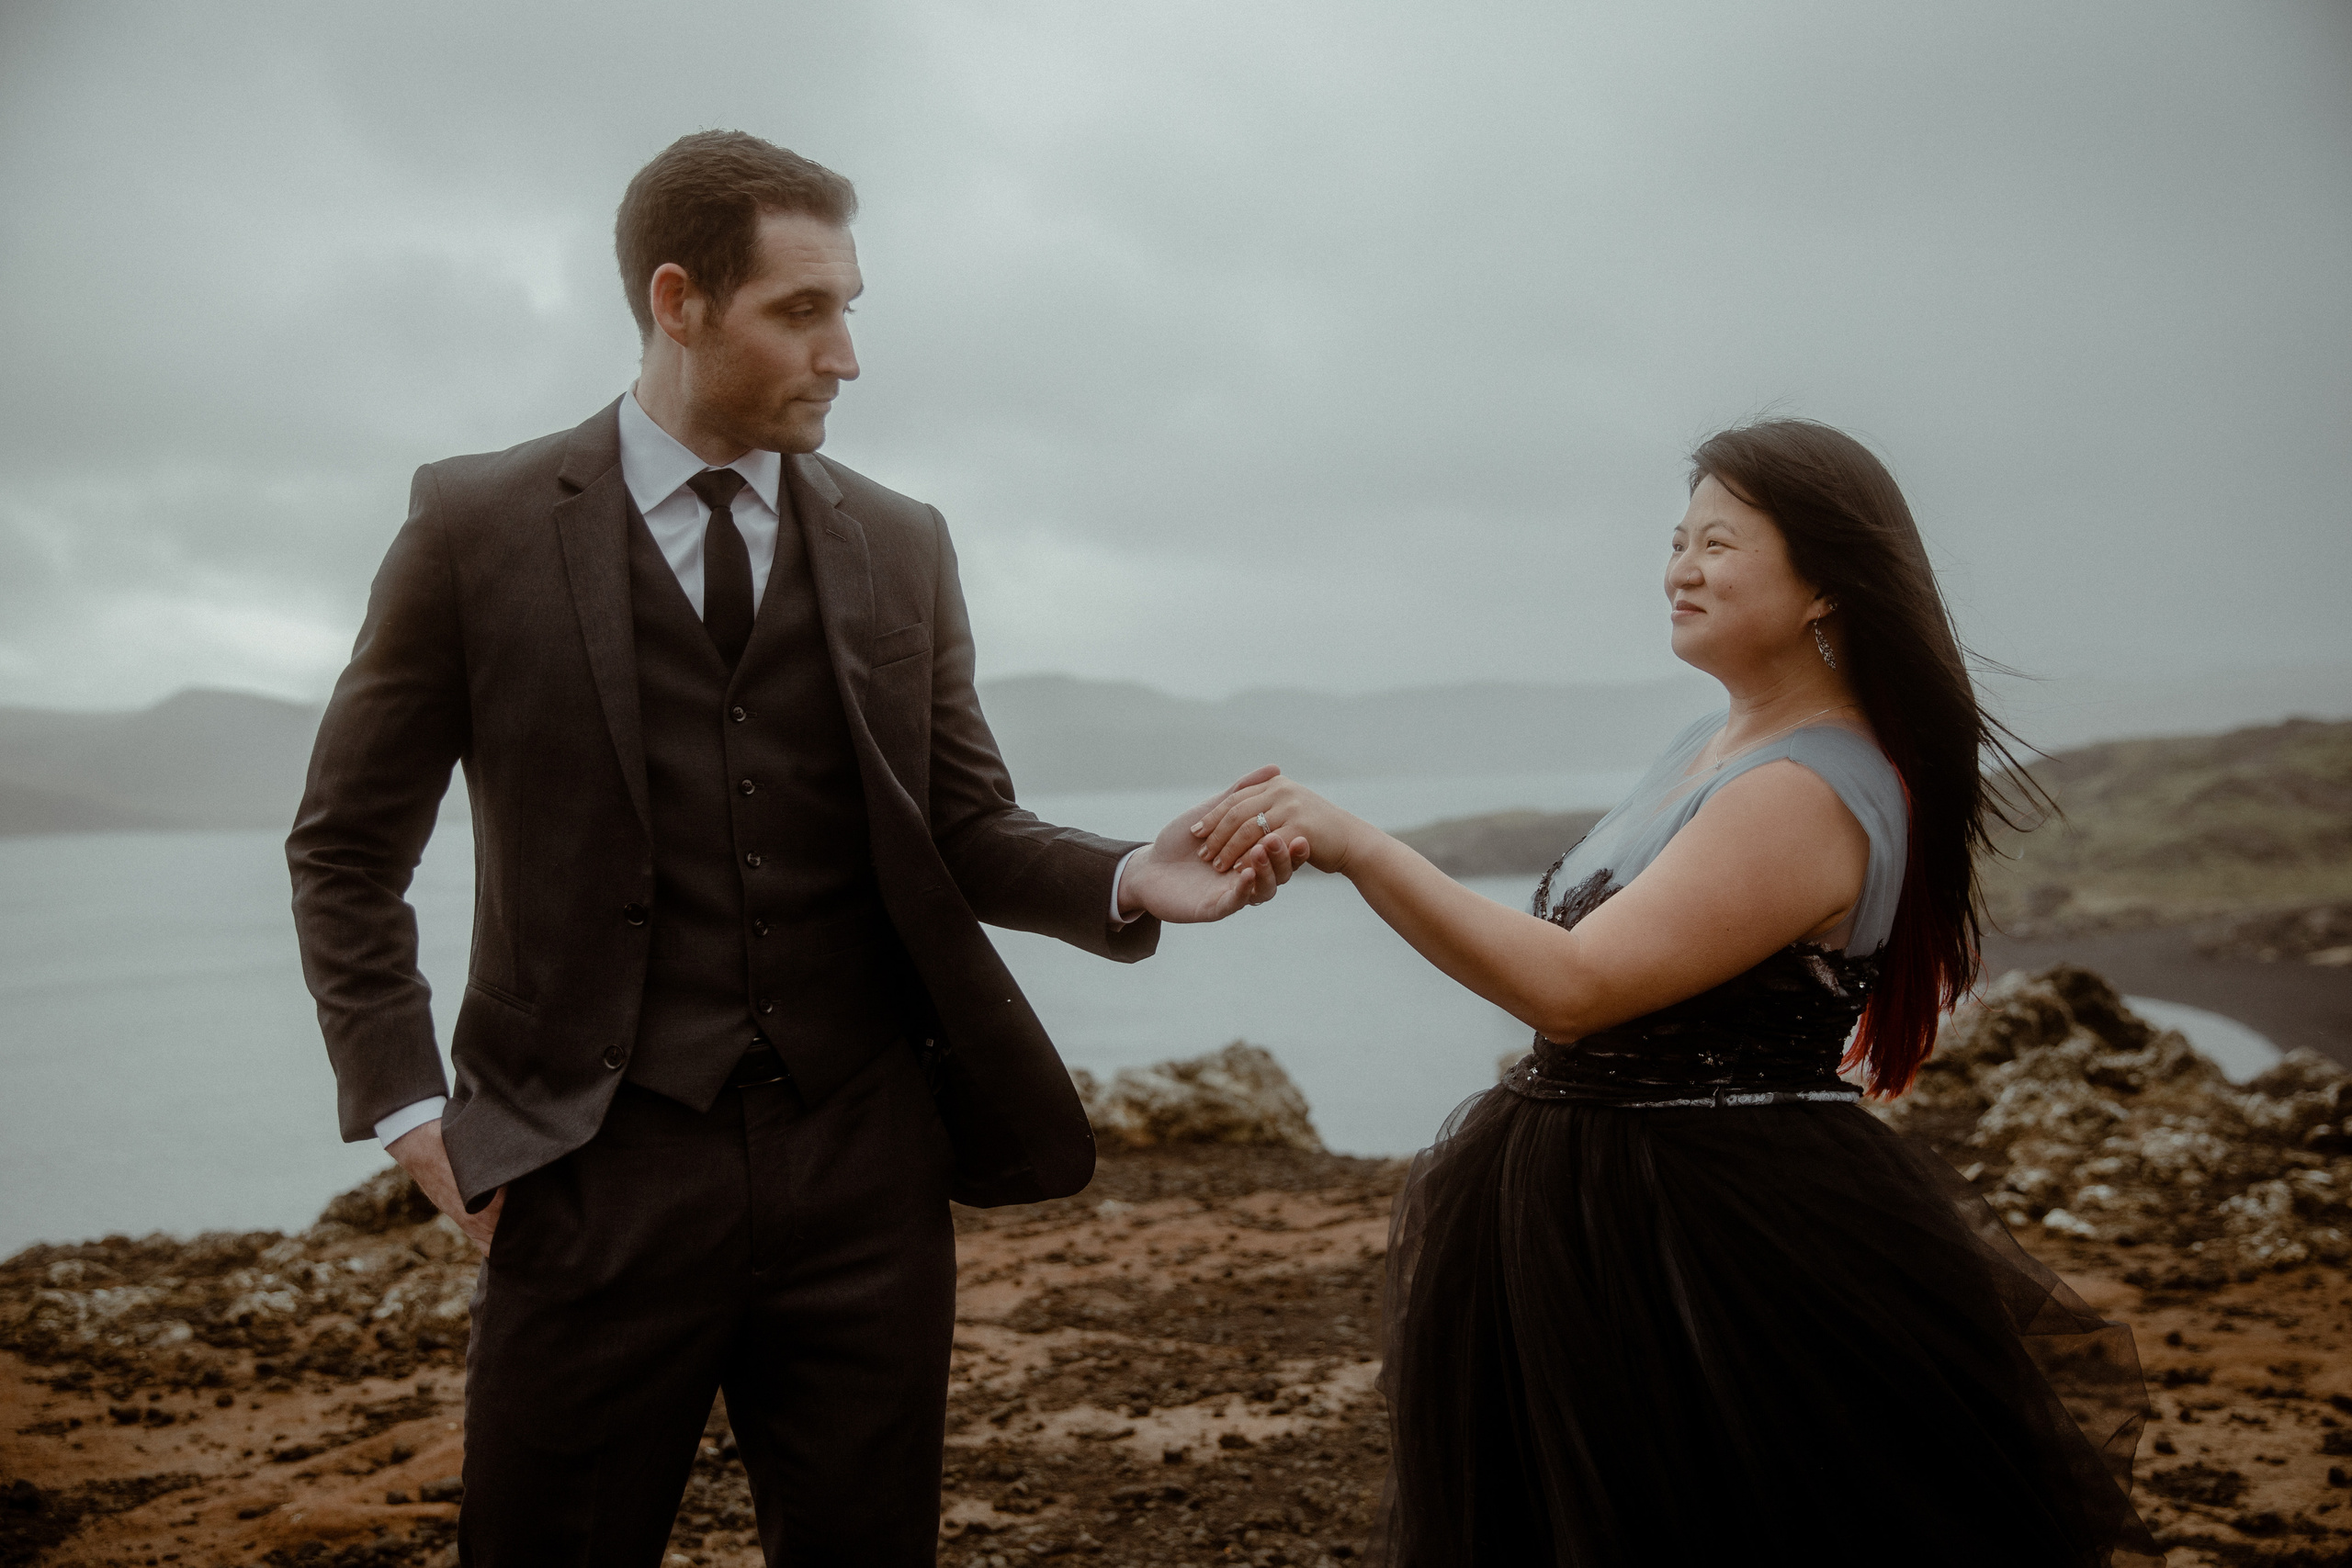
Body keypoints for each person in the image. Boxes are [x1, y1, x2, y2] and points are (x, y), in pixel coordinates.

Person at [286, 130, 1304, 1565]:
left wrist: (1132, 873)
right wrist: (411, 1115)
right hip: (592, 1168)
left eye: (851, 309)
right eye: (804, 310)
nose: (846, 356)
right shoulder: (476, 526)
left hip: (862, 1169)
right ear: (679, 300)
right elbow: (344, 848)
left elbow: (963, 822)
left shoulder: (901, 539)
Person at [1194, 419, 2161, 1565]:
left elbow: (1574, 987)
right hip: (1590, 1204)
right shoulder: (1712, 744)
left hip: (1714, 1231)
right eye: (1675, 541)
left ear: (1824, 586)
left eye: (1718, 544)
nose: (1679, 571)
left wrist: (1356, 844)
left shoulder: (1807, 785)